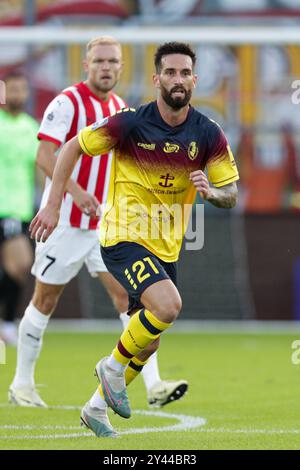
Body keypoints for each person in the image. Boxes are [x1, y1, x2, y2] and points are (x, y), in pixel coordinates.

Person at [29, 41, 239, 438]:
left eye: (185, 73)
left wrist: (211, 192)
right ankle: (108, 367)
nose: (178, 80)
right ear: (156, 78)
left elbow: (231, 194)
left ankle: (95, 409)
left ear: (195, 79)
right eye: (170, 72)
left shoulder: (209, 133)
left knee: (148, 342)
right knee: (169, 305)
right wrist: (55, 204)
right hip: (121, 235)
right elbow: (72, 147)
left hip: (165, 246)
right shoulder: (128, 123)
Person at [9, 36, 187, 410]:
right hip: (65, 224)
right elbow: (45, 154)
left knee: (131, 300)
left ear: (121, 68)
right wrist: (73, 195)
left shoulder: (122, 109)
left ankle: (153, 384)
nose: (106, 67)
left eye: (113, 62)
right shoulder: (67, 103)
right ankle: (22, 384)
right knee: (45, 299)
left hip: (106, 229)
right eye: (99, 61)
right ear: (86, 65)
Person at [0, 72, 39, 346]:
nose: (16, 95)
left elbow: (39, 168)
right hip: (4, 207)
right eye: (11, 90)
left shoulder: (31, 127)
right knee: (20, 263)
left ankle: (7, 322)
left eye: (21, 90)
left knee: (18, 266)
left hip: (22, 208)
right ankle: (7, 323)